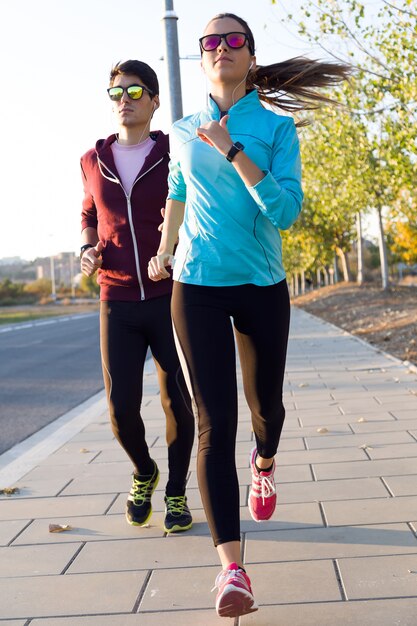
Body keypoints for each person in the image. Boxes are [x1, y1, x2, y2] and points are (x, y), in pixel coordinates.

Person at [148, 13, 350, 618]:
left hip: (261, 284)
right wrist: (164, 251)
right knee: (215, 423)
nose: (220, 49)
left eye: (233, 40)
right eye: (210, 42)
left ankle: (265, 465)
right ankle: (232, 570)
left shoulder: (276, 127)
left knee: (266, 408)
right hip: (198, 285)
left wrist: (232, 149)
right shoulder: (183, 129)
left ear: (250, 57)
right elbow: (177, 194)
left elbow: (286, 212)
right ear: (202, 58)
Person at [80, 60, 195, 534]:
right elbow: (88, 211)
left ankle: (176, 492)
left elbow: (195, 205)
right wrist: (88, 246)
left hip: (171, 294)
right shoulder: (92, 159)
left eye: (133, 91)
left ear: (154, 101)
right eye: (115, 93)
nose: (123, 100)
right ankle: (144, 471)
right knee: (121, 408)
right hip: (117, 298)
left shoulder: (175, 152)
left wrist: (175, 251)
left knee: (178, 401)